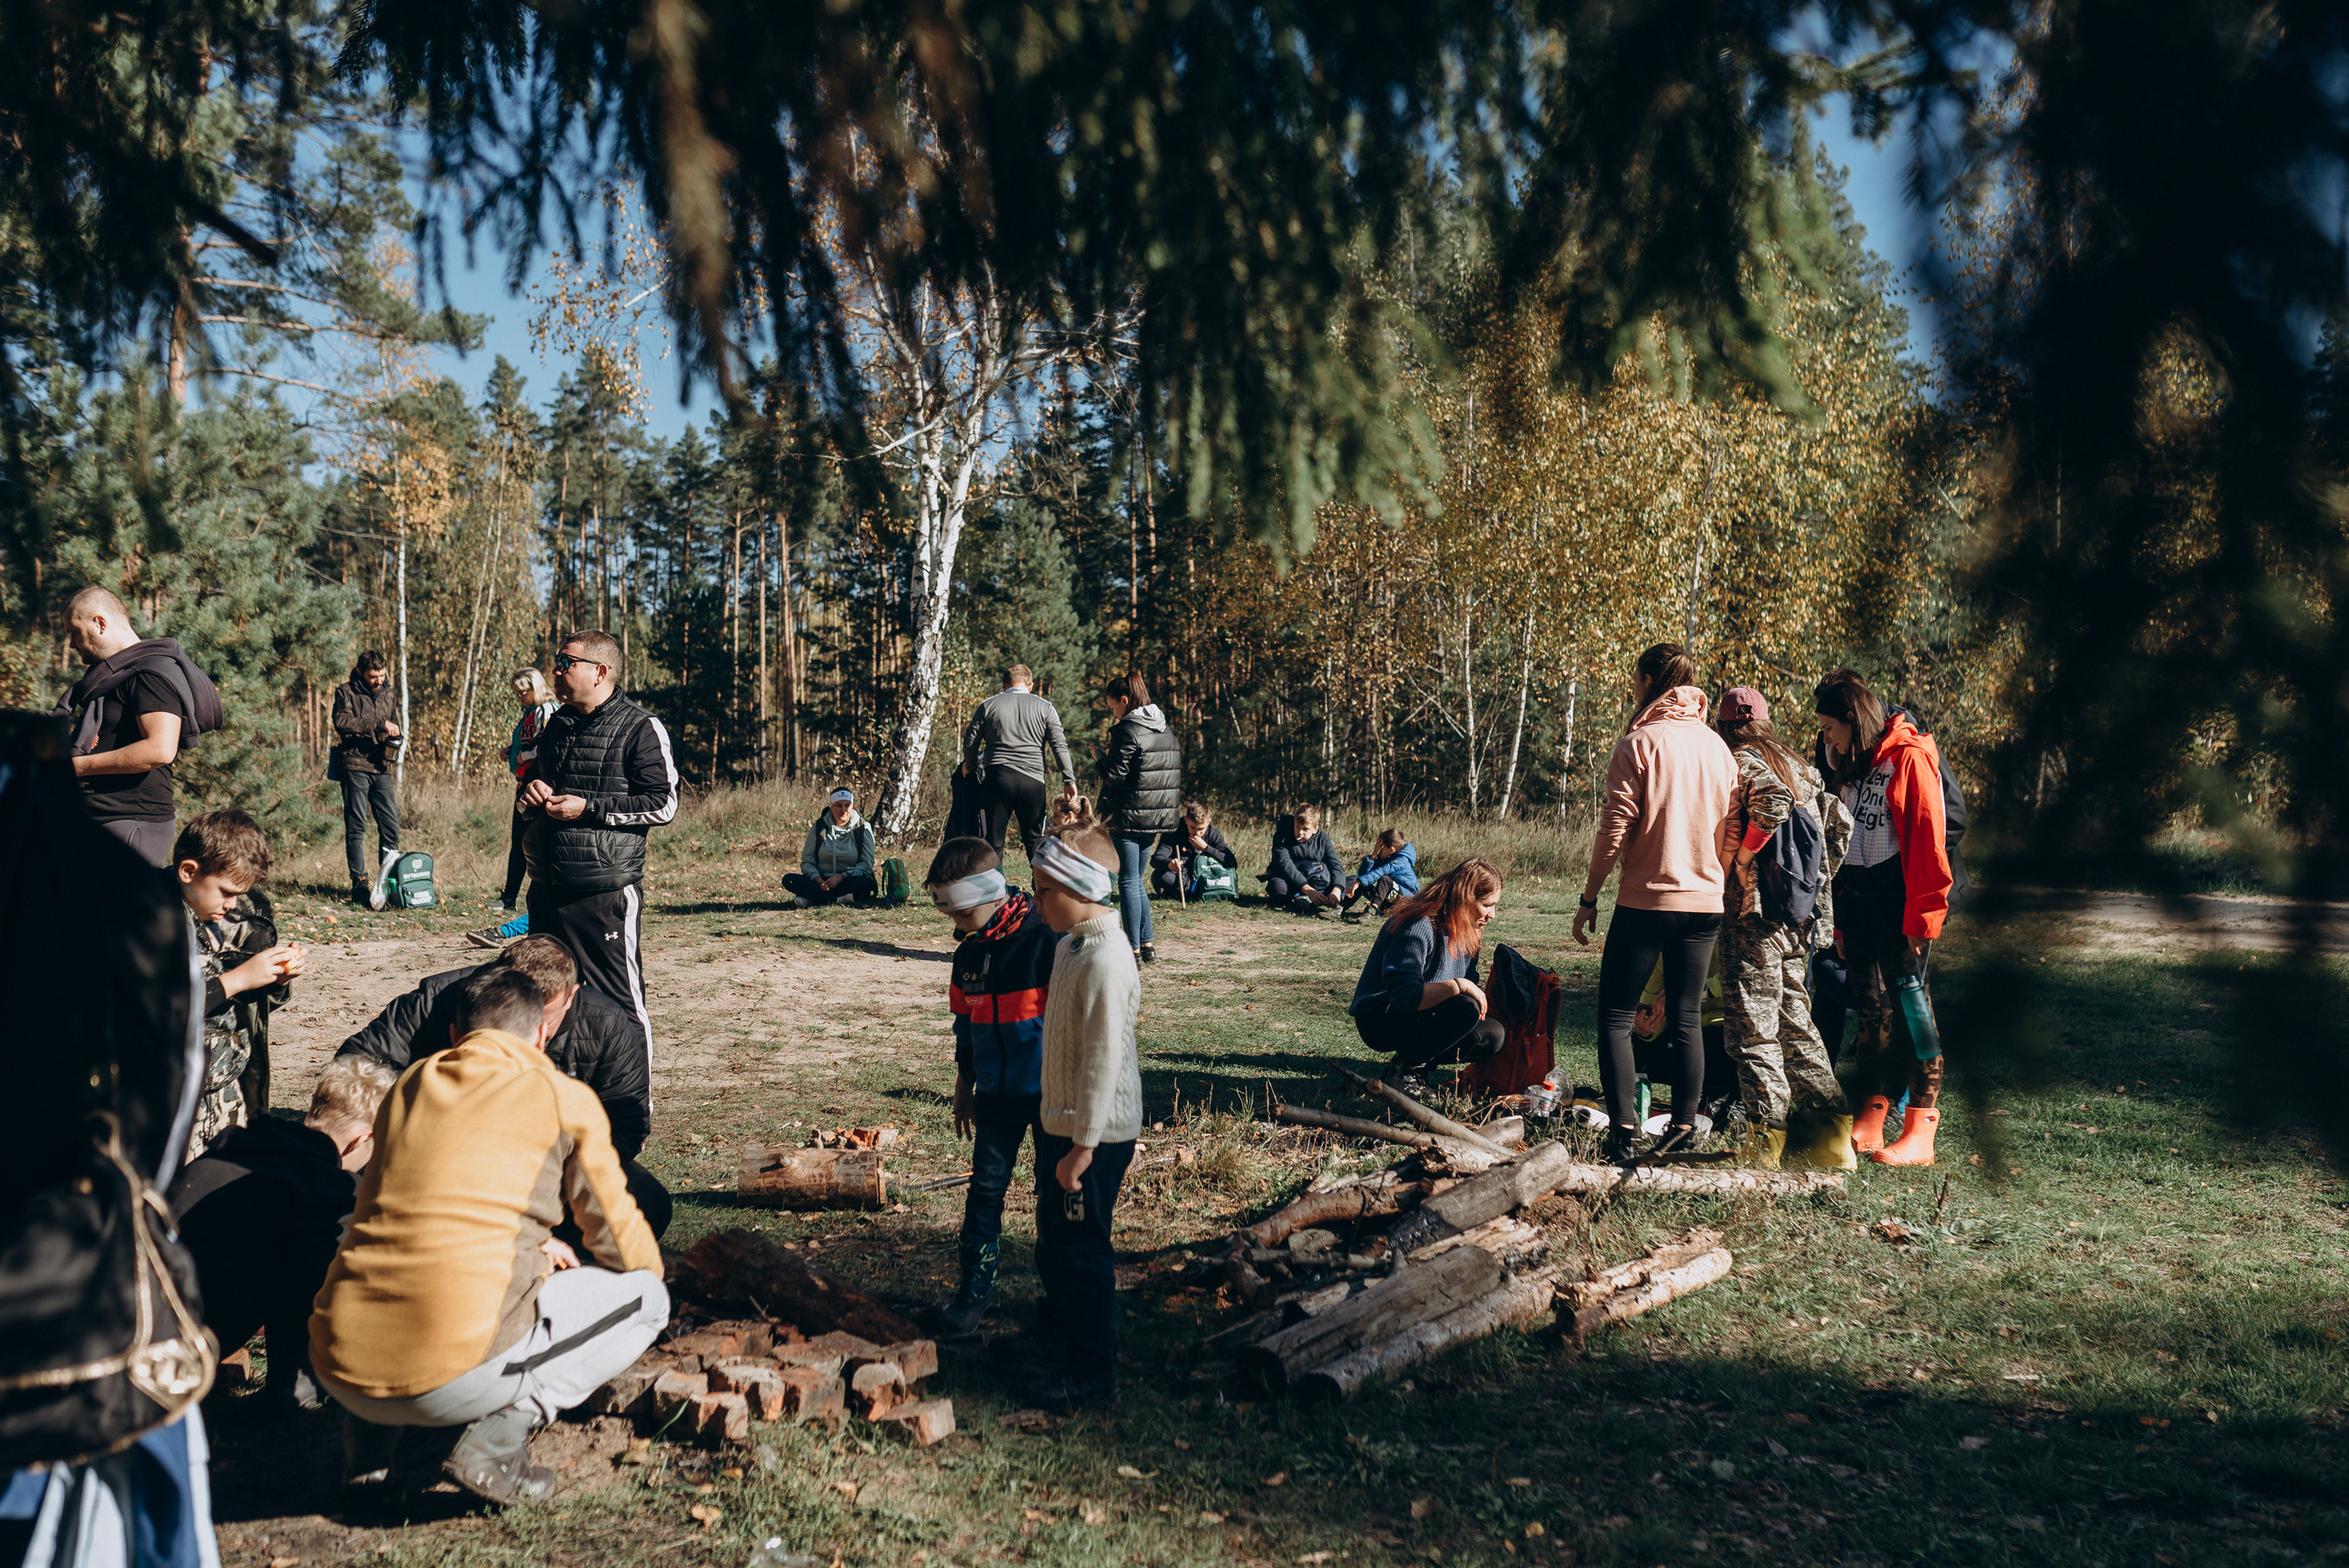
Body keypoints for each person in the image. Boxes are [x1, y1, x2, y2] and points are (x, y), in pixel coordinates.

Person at [312, 966, 668, 1505]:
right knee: (648, 1299)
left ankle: (368, 1459)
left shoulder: (409, 1085)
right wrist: (649, 1275)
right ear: (542, 1035)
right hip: (450, 1377)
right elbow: (617, 1239)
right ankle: (498, 1437)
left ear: (456, 1036)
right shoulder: (562, 1096)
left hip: (338, 1363)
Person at [334, 933, 670, 1237]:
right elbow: (355, 1067)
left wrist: (549, 1168)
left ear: (571, 997)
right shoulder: (438, 999)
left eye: (544, 1016)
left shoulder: (607, 1025)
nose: (530, 1025)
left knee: (646, 1203)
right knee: (345, 1188)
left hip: (548, 1168)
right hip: (436, 1156)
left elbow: (627, 1127)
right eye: (519, 1007)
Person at [1572, 642, 1738, 1164]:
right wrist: (1717, 878)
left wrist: (1590, 894)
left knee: (1617, 1015)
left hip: (1648, 900)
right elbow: (1732, 828)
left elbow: (1614, 828)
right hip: (1706, 900)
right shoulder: (1718, 748)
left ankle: (1623, 1130)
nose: (1632, 689)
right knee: (1687, 1017)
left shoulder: (1639, 744)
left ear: (1648, 682)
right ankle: (1685, 1128)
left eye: (1634, 680)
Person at [167, 1056, 396, 1413]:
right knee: (323, 1262)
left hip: (142, 1312)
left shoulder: (240, 1147)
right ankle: (292, 1387)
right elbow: (338, 1286)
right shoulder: (326, 1189)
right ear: (360, 1141)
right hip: (185, 1338)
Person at [1005, 822, 1141, 1409]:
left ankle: (1090, 1370)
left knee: (1083, 1250)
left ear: (1078, 887)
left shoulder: (1107, 959)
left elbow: (1104, 1059)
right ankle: (1056, 1334)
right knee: (1054, 1241)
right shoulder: (1071, 945)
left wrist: (1083, 1147)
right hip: (1060, 1124)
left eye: (1043, 891)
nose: (1035, 903)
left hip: (1093, 1134)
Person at [1814, 669, 1954, 1166]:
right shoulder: (1848, 763)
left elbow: (1928, 842)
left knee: (1914, 1014)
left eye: (1831, 726)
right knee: (1870, 1011)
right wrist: (1838, 918)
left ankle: (1920, 1128)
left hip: (1900, 902)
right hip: (1859, 900)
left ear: (1852, 718)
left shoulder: (1908, 758)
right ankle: (1870, 1114)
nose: (1825, 737)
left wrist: (1924, 919)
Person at [518, 628, 679, 1062]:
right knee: (546, 1004)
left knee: (620, 1003)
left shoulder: (640, 726)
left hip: (603, 892)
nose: (556, 668)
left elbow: (663, 804)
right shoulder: (558, 723)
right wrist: (532, 794)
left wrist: (589, 808)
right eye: (557, 660)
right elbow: (540, 782)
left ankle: (632, 1120)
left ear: (600, 671)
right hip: (548, 886)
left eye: (566, 661)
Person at [1713, 686, 1853, 1171]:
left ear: (1725, 726)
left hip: (1753, 918)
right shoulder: (1802, 766)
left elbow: (1769, 802)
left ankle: (1765, 1143)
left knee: (1753, 1030)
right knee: (1796, 1024)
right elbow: (1842, 824)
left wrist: (1745, 858)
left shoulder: (1741, 761)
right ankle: (1835, 1139)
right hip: (1798, 917)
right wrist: (1814, 884)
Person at [926, 837, 1057, 1338]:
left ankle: (1057, 1290)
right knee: (984, 1192)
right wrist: (965, 1084)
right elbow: (967, 1024)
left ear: (989, 897)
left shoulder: (1044, 939)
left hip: (1049, 1095)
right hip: (995, 1097)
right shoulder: (968, 956)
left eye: (958, 914)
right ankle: (975, 1288)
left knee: (1053, 1194)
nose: (954, 926)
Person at [50, 585, 224, 866]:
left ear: (100, 623)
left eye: (73, 631)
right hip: (99, 818)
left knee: (109, 911)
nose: (71, 643)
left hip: (131, 822)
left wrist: (77, 767)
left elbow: (159, 750)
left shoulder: (151, 674)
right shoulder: (113, 675)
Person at [176, 810, 306, 1162]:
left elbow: (245, 1007)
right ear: (188, 871)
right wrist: (238, 979)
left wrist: (274, 981)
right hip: (176, 1097)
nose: (232, 904)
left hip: (227, 1087)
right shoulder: (154, 921)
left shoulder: (232, 918)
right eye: (226, 892)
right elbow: (161, 1005)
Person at [1348, 857, 1509, 1090]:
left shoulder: (1468, 930)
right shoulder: (1418, 923)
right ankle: (1406, 1073)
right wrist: (1459, 985)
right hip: (1381, 1017)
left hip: (1424, 1011)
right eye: (1486, 905)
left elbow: (1466, 989)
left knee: (1493, 1035)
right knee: (1465, 1007)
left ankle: (1408, 1066)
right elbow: (1405, 996)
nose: (1492, 914)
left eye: (1494, 905)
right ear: (1465, 898)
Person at [1093, 673, 1181, 963]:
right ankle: (1148, 945)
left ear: (1125, 700)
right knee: (1137, 881)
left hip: (1128, 815)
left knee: (1128, 882)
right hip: (1156, 816)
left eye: (1112, 706)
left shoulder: (1126, 729)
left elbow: (1116, 776)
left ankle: (1132, 951)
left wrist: (1099, 759)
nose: (1113, 712)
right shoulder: (1163, 728)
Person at [961, 664, 1079, 856]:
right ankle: (1042, 886)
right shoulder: (1046, 707)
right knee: (1035, 840)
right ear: (1030, 685)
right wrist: (1069, 780)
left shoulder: (988, 705)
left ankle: (994, 886)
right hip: (1033, 782)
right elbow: (1059, 746)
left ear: (1004, 684)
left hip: (998, 779)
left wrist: (970, 765)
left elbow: (970, 741)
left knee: (993, 842)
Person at [331, 650, 403, 906]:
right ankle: (359, 883)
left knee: (391, 825)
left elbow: (393, 721)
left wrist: (394, 736)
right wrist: (378, 724)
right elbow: (341, 722)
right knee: (356, 827)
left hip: (382, 767)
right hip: (355, 765)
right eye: (374, 676)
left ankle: (389, 881)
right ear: (361, 672)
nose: (379, 680)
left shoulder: (389, 692)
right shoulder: (345, 692)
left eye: (382, 675)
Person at [501, 667, 561, 909]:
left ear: (534, 688)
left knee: (532, 842)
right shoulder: (530, 712)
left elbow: (547, 745)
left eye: (521, 692)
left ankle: (528, 898)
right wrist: (511, 750)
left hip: (538, 785)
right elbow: (526, 742)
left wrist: (523, 755)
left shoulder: (546, 710)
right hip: (523, 782)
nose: (519, 697)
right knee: (519, 842)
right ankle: (509, 897)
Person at [785, 787, 879, 906]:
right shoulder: (819, 828)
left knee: (863, 883)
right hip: (822, 880)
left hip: (848, 880)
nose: (843, 810)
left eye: (847, 805)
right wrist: (819, 881)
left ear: (852, 807)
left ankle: (813, 898)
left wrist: (841, 877)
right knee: (789, 879)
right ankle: (837, 900)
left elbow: (867, 865)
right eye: (839, 805)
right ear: (831, 807)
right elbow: (807, 861)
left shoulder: (863, 828)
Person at [1265, 804, 1346, 913]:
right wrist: (1306, 888)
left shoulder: (1324, 839)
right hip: (1291, 883)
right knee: (1276, 886)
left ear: (1315, 829)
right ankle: (1301, 898)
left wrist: (1337, 889)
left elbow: (1335, 865)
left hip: (1319, 882)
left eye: (1305, 829)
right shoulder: (1282, 836)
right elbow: (1284, 865)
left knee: (1353, 881)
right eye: (1297, 826)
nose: (1300, 832)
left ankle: (1320, 899)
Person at [1149, 801, 1238, 897]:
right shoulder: (1173, 831)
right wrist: (1169, 864)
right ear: (1186, 820)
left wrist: (1206, 848)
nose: (1196, 833)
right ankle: (1185, 893)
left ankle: (1180, 893)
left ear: (1208, 822)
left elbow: (1232, 862)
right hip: (1179, 878)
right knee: (1158, 875)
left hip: (1205, 878)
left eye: (1201, 829)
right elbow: (1156, 859)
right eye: (1193, 828)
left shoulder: (1213, 834)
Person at [1339, 828, 1419, 921]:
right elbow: (1363, 874)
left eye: (1381, 847)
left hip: (1405, 900)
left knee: (1385, 879)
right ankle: (1340, 909)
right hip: (1389, 898)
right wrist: (1373, 856)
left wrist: (1358, 882)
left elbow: (1380, 872)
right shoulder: (1388, 856)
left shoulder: (1401, 862)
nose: (1378, 849)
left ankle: (1371, 911)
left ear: (1391, 850)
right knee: (1362, 881)